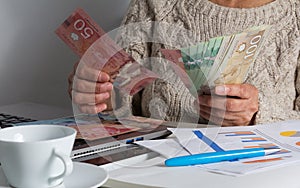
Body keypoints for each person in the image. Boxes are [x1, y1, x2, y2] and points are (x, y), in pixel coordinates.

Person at [68, 0, 300, 126]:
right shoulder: (156, 4)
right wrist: (99, 94)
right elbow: (123, 99)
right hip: (157, 169)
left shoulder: (295, 14)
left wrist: (258, 114)